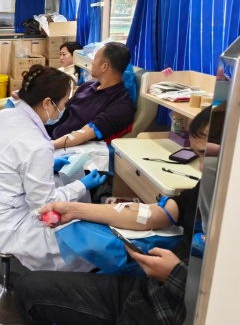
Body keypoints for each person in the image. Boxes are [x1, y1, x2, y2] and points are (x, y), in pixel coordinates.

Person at [14, 106, 215, 325]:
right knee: (28, 287)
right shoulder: (207, 188)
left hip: (169, 311)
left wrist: (174, 274)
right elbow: (155, 214)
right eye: (197, 154)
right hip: (149, 289)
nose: (201, 166)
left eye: (206, 154)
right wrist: (73, 210)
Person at [0, 65, 107, 271]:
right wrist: (82, 185)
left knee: (62, 185)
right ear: (47, 103)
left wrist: (48, 164)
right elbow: (45, 205)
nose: (64, 109)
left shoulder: (4, 115)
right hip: (6, 227)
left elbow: (11, 161)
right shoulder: (36, 145)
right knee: (90, 241)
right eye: (63, 103)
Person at [50, 42, 134, 149]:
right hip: (52, 138)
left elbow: (84, 134)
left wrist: (49, 145)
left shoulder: (121, 106)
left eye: (94, 59)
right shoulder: (86, 86)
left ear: (104, 67)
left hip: (68, 149)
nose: (92, 63)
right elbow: (63, 119)